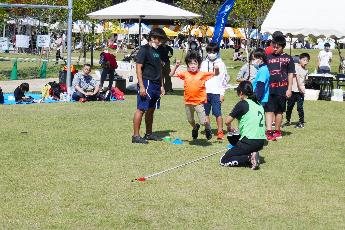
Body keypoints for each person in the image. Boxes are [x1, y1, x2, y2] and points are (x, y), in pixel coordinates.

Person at [170, 51, 218, 140]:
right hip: (188, 102)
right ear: (187, 65)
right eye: (190, 63)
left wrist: (216, 68)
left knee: (203, 121)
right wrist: (176, 66)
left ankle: (208, 129)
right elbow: (171, 74)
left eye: (195, 63)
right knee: (190, 120)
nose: (192, 65)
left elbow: (216, 74)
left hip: (199, 102)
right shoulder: (185, 74)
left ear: (198, 64)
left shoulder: (202, 74)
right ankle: (195, 128)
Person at [220, 81, 266, 170]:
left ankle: (249, 158)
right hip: (261, 142)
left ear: (241, 93)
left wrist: (229, 126)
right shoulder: (259, 104)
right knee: (239, 150)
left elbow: (227, 121)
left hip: (249, 141)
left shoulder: (243, 103)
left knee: (223, 160)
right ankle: (252, 154)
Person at [132, 28, 167, 144]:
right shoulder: (144, 50)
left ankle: (149, 134)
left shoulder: (157, 51)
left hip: (156, 85)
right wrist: (141, 86)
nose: (161, 42)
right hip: (147, 83)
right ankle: (136, 136)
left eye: (162, 40)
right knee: (141, 109)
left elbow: (160, 69)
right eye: (159, 40)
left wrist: (162, 85)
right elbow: (138, 68)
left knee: (151, 110)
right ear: (152, 38)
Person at [266, 33, 295, 141]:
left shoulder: (288, 58)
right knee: (269, 110)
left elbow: (290, 74)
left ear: (282, 47)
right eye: (273, 46)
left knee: (279, 111)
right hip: (269, 88)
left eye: (277, 47)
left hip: (282, 88)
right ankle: (269, 132)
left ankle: (277, 131)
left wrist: (289, 89)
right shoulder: (267, 57)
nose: (275, 49)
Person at [200, 42, 229, 140]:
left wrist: (222, 93)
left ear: (217, 52)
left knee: (218, 113)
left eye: (214, 51)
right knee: (205, 113)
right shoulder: (203, 63)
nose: (211, 53)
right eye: (209, 51)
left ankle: (220, 131)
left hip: (216, 92)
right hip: (205, 92)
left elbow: (224, 80)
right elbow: (201, 78)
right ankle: (208, 131)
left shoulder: (221, 64)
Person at [284, 53, 310, 129]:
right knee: (289, 107)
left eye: (307, 60)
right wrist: (300, 88)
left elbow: (303, 80)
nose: (305, 62)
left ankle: (301, 122)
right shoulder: (295, 67)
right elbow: (297, 78)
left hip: (300, 92)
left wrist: (302, 89)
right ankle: (288, 120)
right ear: (299, 60)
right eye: (304, 60)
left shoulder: (306, 71)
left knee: (300, 107)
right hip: (293, 90)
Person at [251, 48, 270, 133]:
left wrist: (256, 98)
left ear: (261, 59)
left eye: (254, 59)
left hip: (261, 98)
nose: (253, 61)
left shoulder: (263, 70)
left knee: (257, 117)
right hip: (261, 97)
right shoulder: (263, 68)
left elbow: (261, 86)